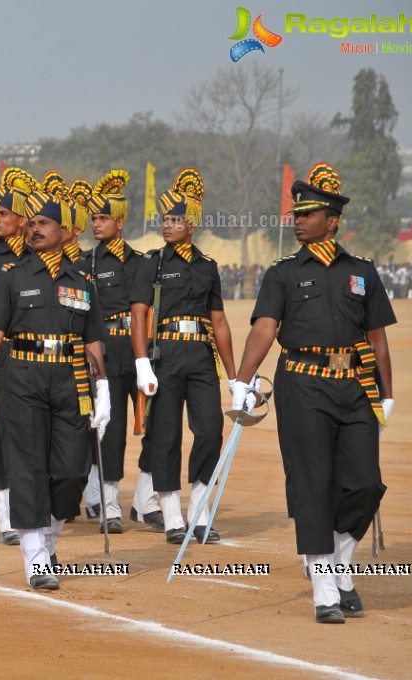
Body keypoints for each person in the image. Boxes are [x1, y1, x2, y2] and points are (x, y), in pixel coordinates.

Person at [231, 163, 394, 623]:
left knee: (364, 482)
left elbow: (377, 336)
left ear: (333, 220)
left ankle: (340, 562)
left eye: (308, 212)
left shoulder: (362, 271)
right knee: (313, 482)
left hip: (357, 385)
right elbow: (265, 329)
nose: (298, 220)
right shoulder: (282, 273)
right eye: (296, 213)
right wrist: (242, 382)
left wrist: (387, 392)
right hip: (302, 383)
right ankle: (325, 585)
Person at [0, 183, 110, 590]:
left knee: (71, 469)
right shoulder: (13, 278)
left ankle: (48, 538)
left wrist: (104, 390)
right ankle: (35, 555)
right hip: (23, 377)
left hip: (70, 378)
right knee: (27, 466)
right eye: (31, 223)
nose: (34, 229)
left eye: (43, 223)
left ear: (65, 230)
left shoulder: (82, 282)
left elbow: (93, 339)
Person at [130, 168, 236, 545]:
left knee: (210, 430)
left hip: (202, 358)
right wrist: (142, 362)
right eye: (166, 219)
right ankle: (173, 514)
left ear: (192, 225)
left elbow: (219, 321)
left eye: (176, 219)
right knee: (165, 435)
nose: (168, 225)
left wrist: (235, 377)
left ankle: (201, 508)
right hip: (166, 357)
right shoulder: (153, 263)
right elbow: (139, 314)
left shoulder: (208, 267)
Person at [79, 170, 162, 534]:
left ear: (121, 221)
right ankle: (108, 504)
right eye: (93, 218)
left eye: (103, 218)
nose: (96, 224)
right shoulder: (86, 263)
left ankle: (145, 499)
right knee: (109, 430)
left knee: (159, 426)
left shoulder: (142, 262)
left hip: (140, 350)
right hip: (107, 350)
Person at [0, 167, 40, 546]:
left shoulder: (35, 256)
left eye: (4, 214)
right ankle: (6, 519)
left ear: (22, 220)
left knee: (28, 436)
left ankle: (30, 507)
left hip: (30, 357)